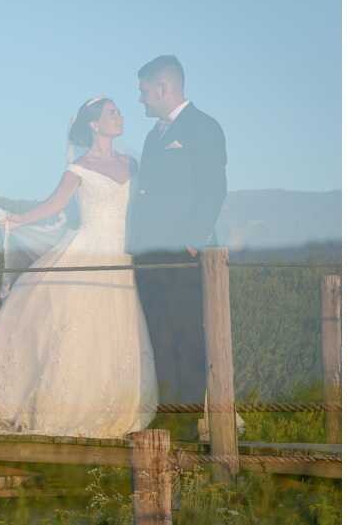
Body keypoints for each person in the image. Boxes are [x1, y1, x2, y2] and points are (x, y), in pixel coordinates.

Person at [0, 96, 157, 437]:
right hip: (88, 250)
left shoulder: (132, 164)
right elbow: (55, 203)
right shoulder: (79, 168)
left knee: (115, 331)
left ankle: (112, 405)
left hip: (121, 256)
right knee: (78, 328)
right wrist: (20, 219)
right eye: (111, 113)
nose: (119, 116)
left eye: (119, 112)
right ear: (94, 124)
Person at [125, 55, 227, 437]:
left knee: (187, 333)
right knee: (160, 335)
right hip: (151, 255)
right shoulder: (154, 136)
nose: (140, 98)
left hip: (183, 254)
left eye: (143, 90)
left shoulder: (204, 127)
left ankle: (188, 420)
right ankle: (167, 414)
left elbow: (213, 188)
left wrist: (193, 240)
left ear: (163, 87)